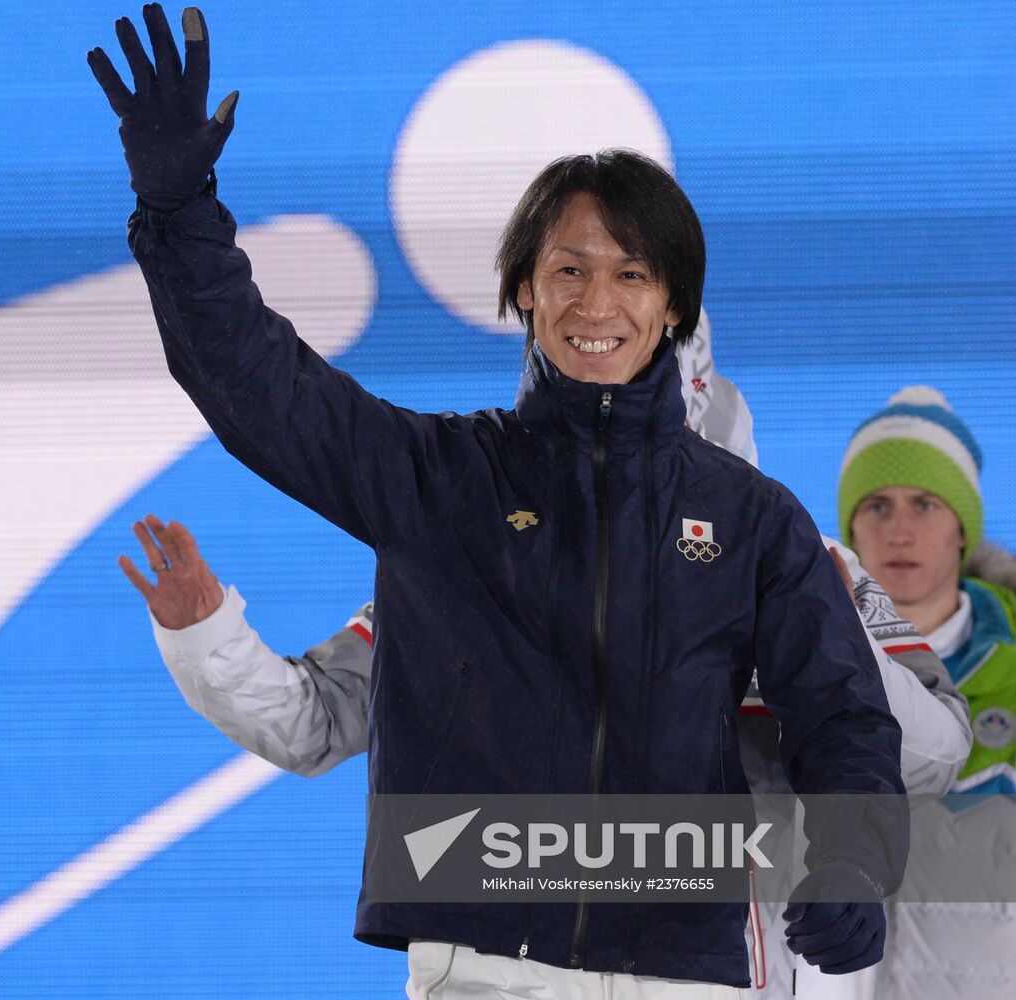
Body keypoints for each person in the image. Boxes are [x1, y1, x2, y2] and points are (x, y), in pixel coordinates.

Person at [88, 7, 907, 994]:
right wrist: (180, 215)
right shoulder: (440, 480)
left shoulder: (753, 519)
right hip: (482, 968)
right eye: (568, 270)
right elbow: (261, 389)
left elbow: (843, 715)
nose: (596, 305)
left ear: (674, 307)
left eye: (631, 275)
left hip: (682, 972)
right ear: (523, 289)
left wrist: (857, 861)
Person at [121, 357, 971, 1000]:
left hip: (758, 965)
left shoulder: (800, 563)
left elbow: (934, 751)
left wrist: (799, 641)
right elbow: (314, 722)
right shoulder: (471, 562)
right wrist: (206, 635)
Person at [838, 385, 1016, 999]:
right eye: (878, 506)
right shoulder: (793, 656)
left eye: (925, 504)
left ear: (963, 527)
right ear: (851, 529)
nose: (900, 531)